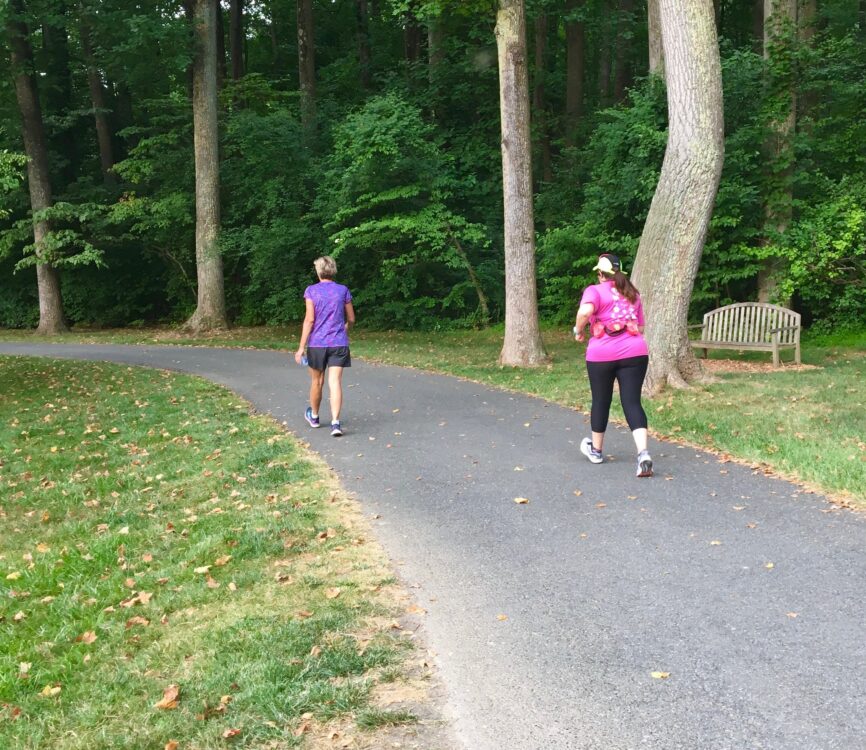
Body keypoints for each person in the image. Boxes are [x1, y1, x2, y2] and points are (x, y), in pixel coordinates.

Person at [573, 253, 653, 477]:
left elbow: (585, 311)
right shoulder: (633, 293)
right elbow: (641, 327)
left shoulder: (594, 290)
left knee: (601, 400)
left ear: (600, 273)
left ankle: (596, 451)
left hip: (602, 355)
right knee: (632, 402)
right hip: (635, 353)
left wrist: (578, 330)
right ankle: (643, 454)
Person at [294, 256, 355, 437]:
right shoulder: (343, 290)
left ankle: (314, 416)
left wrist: (300, 347)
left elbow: (310, 319)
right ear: (333, 270)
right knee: (335, 382)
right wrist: (345, 329)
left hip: (317, 344)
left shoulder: (311, 291)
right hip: (339, 343)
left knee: (317, 381)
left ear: (319, 271)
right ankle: (335, 423)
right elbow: (351, 318)